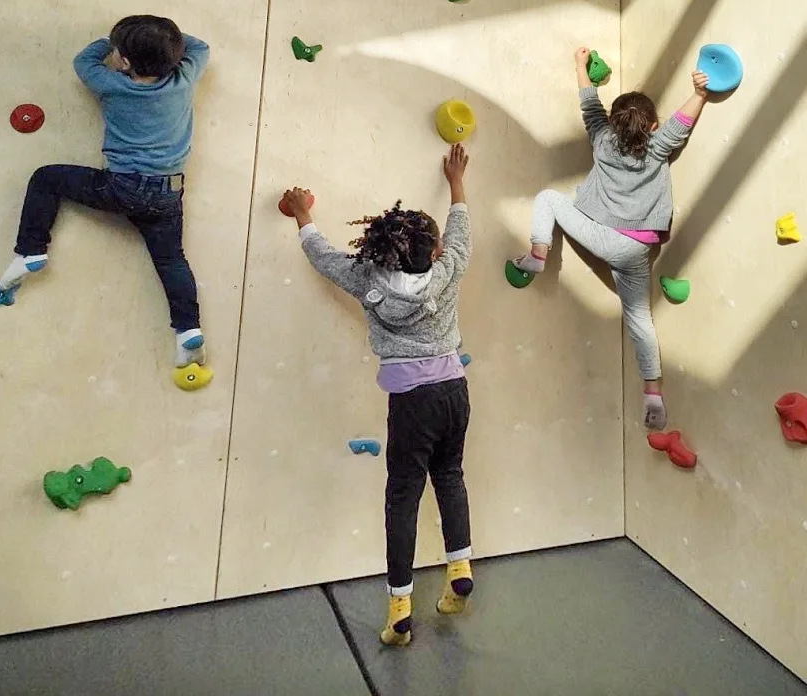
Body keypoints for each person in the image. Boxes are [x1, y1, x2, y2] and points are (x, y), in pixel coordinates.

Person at [281, 144, 473, 647]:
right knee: (450, 476)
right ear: (432, 252)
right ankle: (459, 571)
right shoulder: (447, 271)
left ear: (380, 250)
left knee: (403, 496)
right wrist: (455, 183)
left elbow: (323, 258)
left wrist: (304, 215)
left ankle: (400, 608)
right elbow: (461, 233)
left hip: (412, 404)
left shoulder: (367, 277)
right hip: (454, 390)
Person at [0, 15, 211, 382]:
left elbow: (83, 61)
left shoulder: (111, 83)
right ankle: (187, 331)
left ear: (124, 62)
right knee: (171, 260)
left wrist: (113, 43)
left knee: (46, 178)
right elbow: (200, 47)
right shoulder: (184, 78)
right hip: (169, 192)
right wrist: (166, 44)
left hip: (122, 187)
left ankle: (31, 252)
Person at [512, 47, 709, 430]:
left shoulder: (602, 139)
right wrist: (700, 92)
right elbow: (683, 121)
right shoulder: (658, 147)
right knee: (640, 318)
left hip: (598, 234)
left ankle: (538, 253)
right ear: (653, 126)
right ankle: (652, 392)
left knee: (550, 198)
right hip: (636, 249)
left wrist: (579, 65)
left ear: (614, 124)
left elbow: (590, 104)